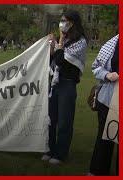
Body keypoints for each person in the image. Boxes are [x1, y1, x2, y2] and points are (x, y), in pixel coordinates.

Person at [42, 10, 88, 164]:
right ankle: (49, 149)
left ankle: (60, 154)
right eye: (60, 20)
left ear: (72, 23)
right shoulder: (63, 41)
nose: (61, 23)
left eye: (64, 20)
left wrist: (59, 41)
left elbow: (62, 60)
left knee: (64, 121)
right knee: (50, 118)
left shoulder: (80, 42)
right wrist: (51, 47)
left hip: (67, 84)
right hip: (54, 83)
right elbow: (51, 61)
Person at [88, 34, 119, 176]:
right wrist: (107, 75)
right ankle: (98, 171)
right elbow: (96, 67)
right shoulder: (113, 43)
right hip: (108, 98)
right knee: (104, 137)